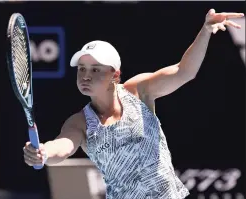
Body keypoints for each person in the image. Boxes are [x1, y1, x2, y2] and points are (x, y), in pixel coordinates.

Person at [23, 9, 244, 199]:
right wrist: (44, 152)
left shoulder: (139, 90)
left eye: (95, 69)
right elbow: (63, 146)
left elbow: (183, 71)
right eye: (81, 69)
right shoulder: (80, 123)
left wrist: (205, 31)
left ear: (115, 75)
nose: (85, 76)